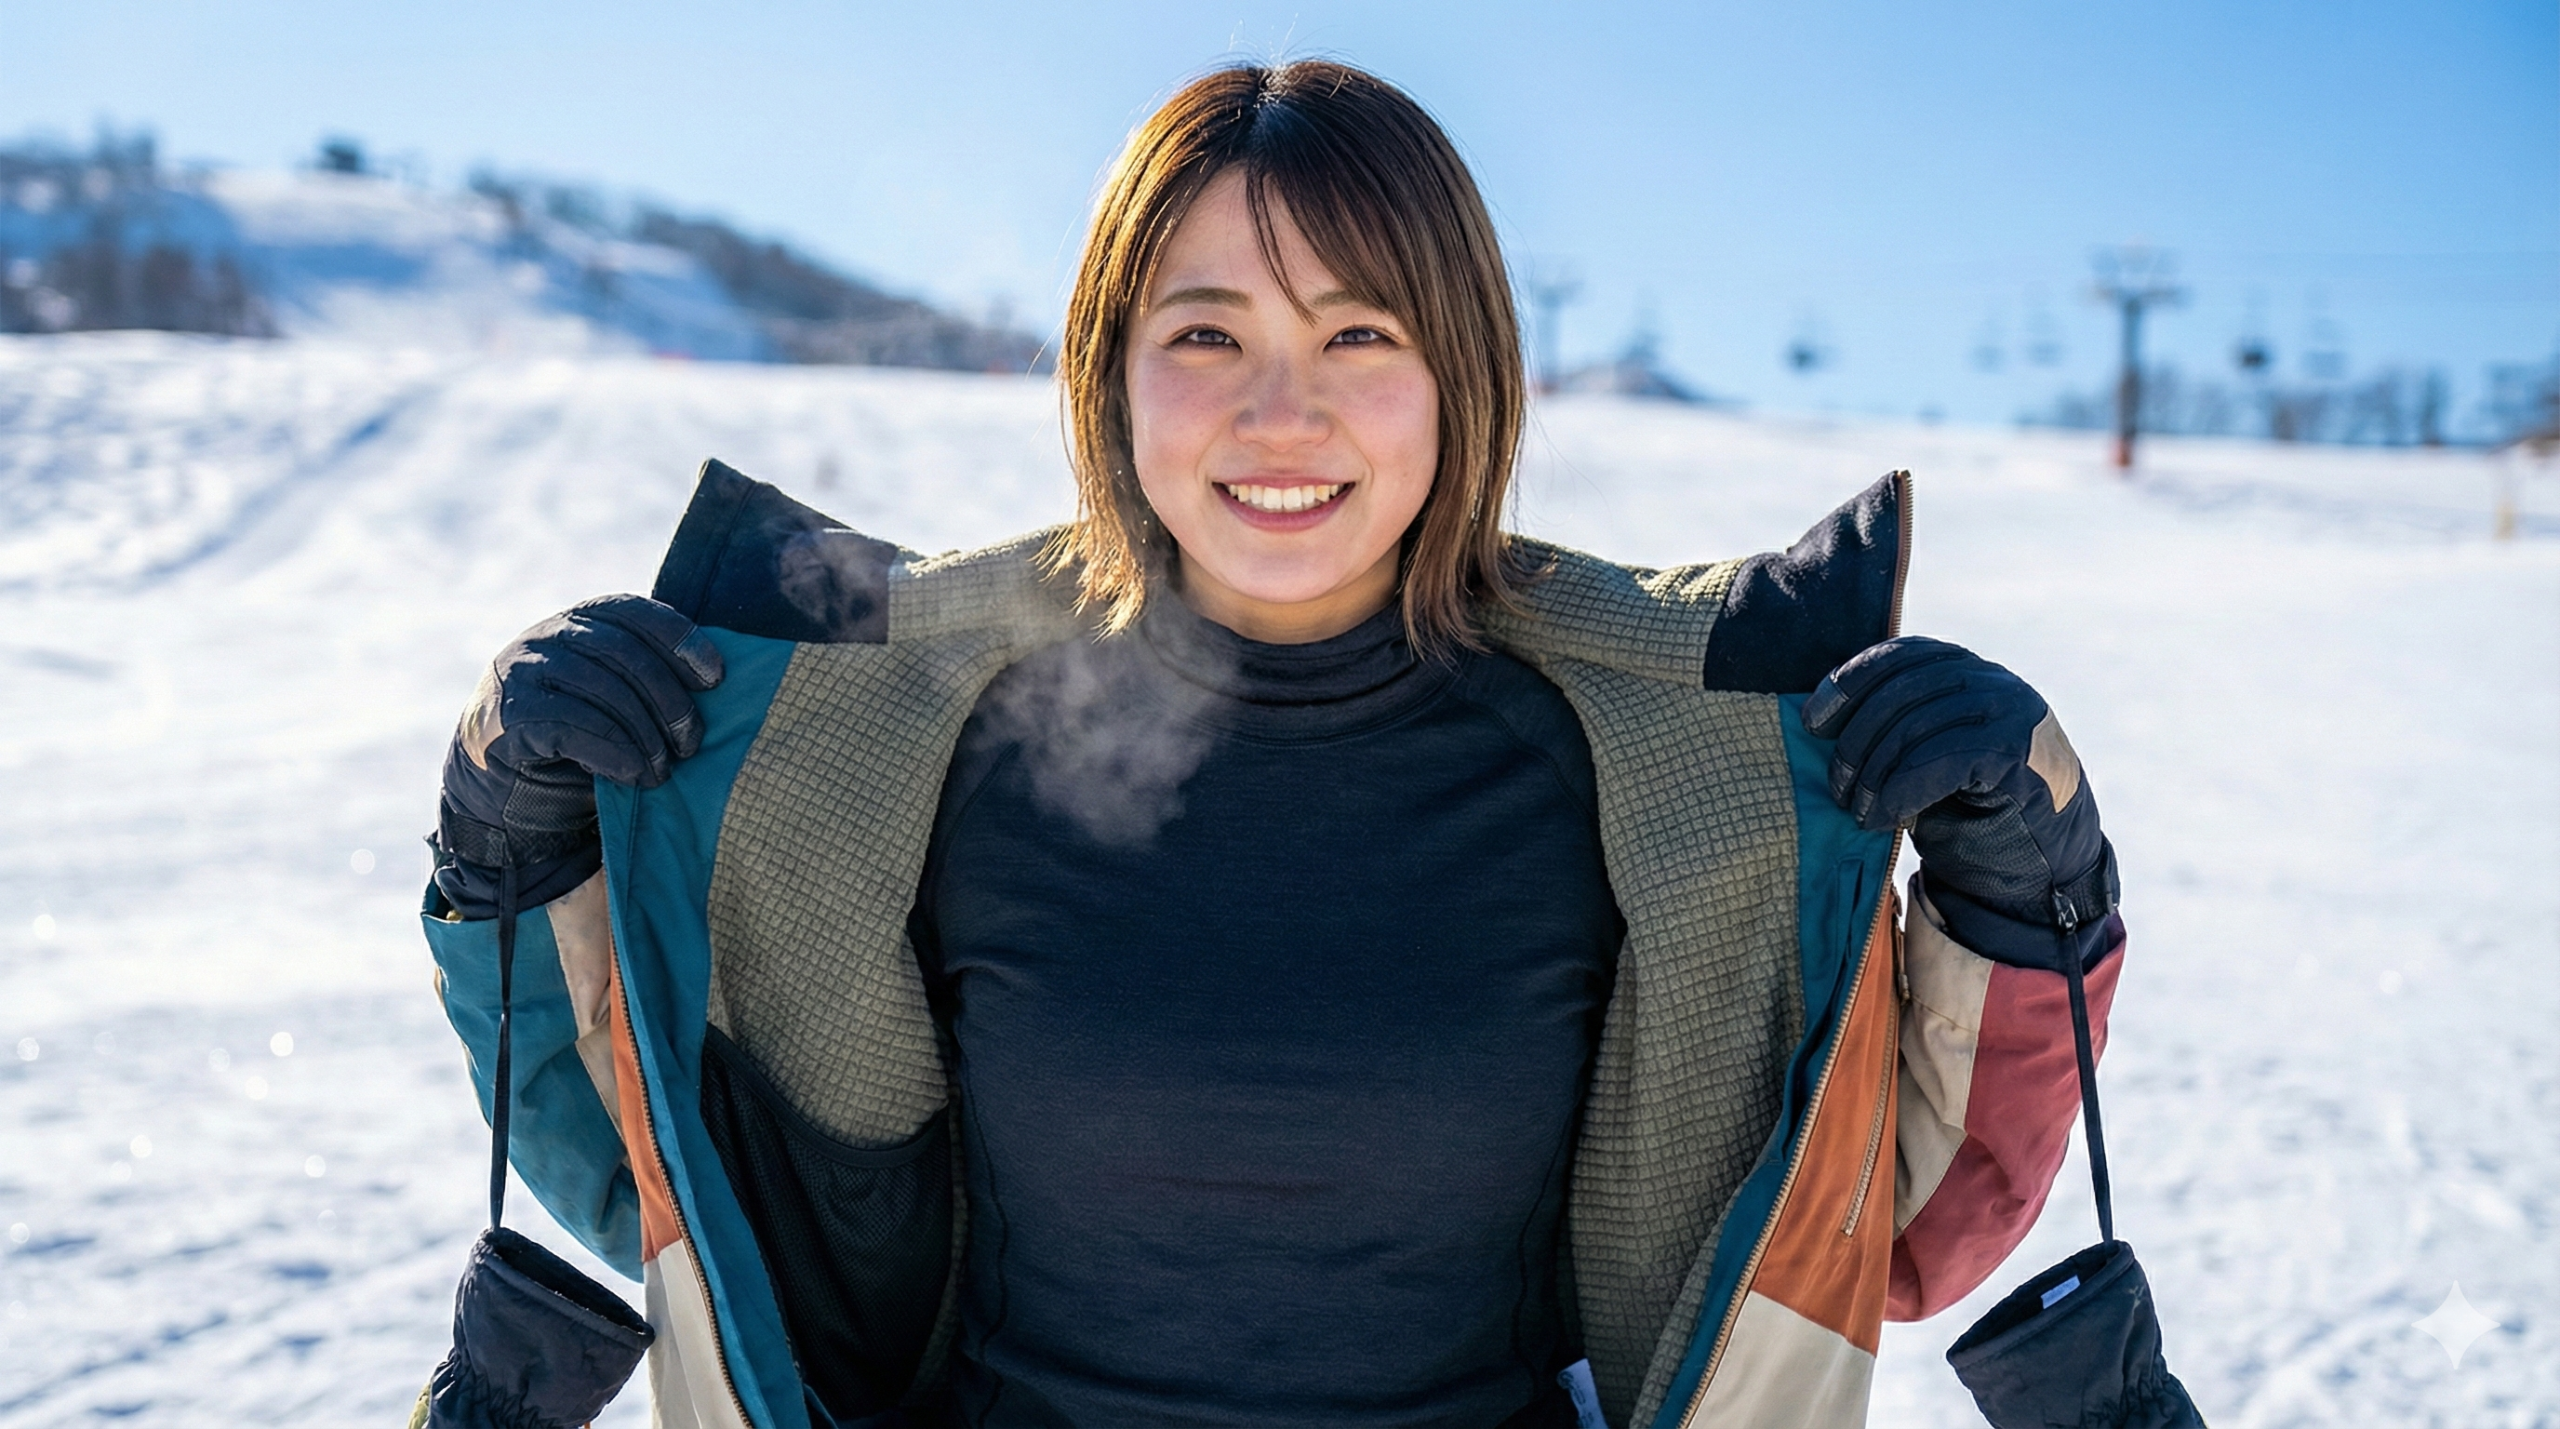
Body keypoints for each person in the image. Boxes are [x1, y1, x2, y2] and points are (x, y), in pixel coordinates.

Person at [423, 61, 2127, 1429]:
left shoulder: (1658, 763)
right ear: (1113, 378)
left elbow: (1888, 1233)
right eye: (1206, 333)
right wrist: (511, 848)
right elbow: (660, 1174)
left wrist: (2016, 881)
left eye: (1360, 335)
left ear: (1463, 379)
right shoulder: (904, 743)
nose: (1279, 411)